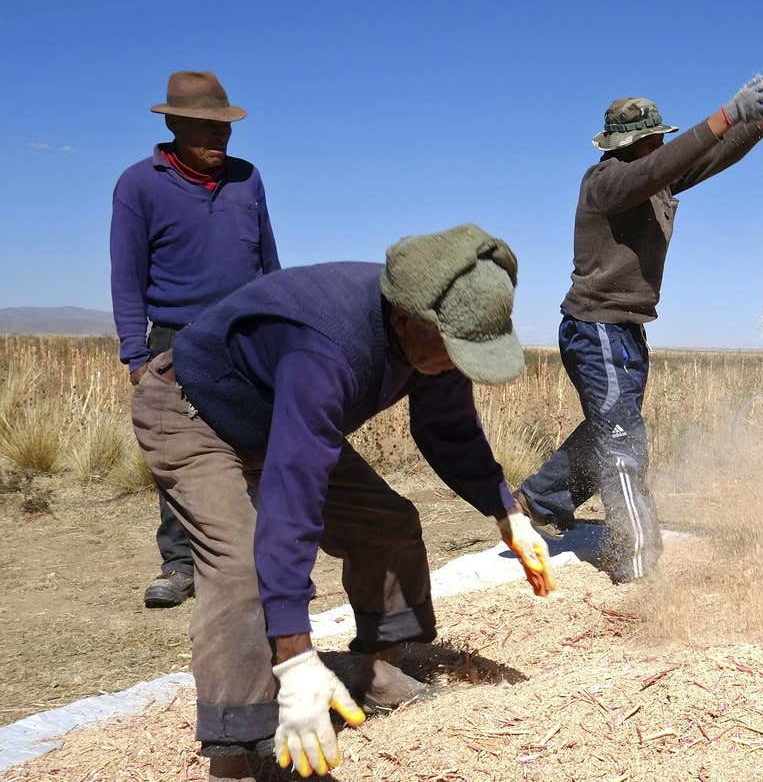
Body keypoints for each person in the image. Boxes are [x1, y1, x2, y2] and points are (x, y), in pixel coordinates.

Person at [131, 224, 553, 780]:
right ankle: (239, 748)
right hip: (194, 413)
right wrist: (297, 657)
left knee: (387, 522)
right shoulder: (326, 347)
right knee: (239, 569)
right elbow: (293, 494)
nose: (457, 364)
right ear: (405, 319)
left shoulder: (435, 339)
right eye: (454, 350)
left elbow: (450, 430)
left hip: (278, 419)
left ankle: (377, 670)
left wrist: (508, 513)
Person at [515, 75, 763, 583]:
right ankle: (638, 563)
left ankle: (539, 497)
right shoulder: (608, 181)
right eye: (653, 139)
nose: (661, 145)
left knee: (610, 425)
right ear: (631, 144)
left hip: (626, 330)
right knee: (622, 441)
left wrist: (757, 122)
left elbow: (701, 160)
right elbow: (669, 162)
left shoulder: (650, 176)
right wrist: (728, 112)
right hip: (595, 327)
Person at [110, 70, 282, 609]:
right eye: (205, 129)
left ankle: (258, 559)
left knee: (256, 445)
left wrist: (281, 323)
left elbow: (268, 258)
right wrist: (136, 354)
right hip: (174, 340)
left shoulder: (247, 178)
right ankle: (181, 565)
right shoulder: (139, 184)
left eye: (224, 128)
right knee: (181, 455)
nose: (218, 139)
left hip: (244, 335)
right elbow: (126, 273)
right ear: (176, 124)